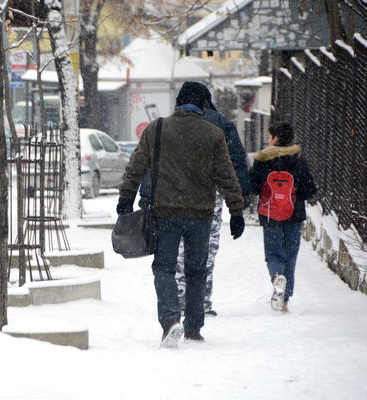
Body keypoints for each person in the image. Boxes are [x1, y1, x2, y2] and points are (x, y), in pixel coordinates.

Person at [117, 86, 245, 348]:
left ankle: (170, 320)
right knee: (196, 270)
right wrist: (236, 211)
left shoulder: (158, 128)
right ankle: (194, 328)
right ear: (203, 107)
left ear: (178, 104)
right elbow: (226, 176)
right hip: (200, 214)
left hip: (165, 213)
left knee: (164, 268)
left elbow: (136, 167)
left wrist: (125, 199)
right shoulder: (214, 134)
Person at [139, 82, 251, 317]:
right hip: (206, 199)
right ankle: (201, 304)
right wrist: (239, 202)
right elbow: (233, 165)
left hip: (168, 200)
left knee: (169, 258)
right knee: (202, 257)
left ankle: (176, 302)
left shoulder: (163, 126)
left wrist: (144, 193)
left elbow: (150, 163)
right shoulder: (221, 125)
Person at [249, 122, 316, 312]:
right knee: (290, 255)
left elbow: (253, 186)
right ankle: (285, 301)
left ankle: (277, 277)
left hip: (270, 214)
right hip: (294, 214)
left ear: (275, 138)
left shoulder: (262, 159)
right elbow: (310, 190)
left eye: (270, 136)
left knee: (273, 253)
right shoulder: (298, 159)